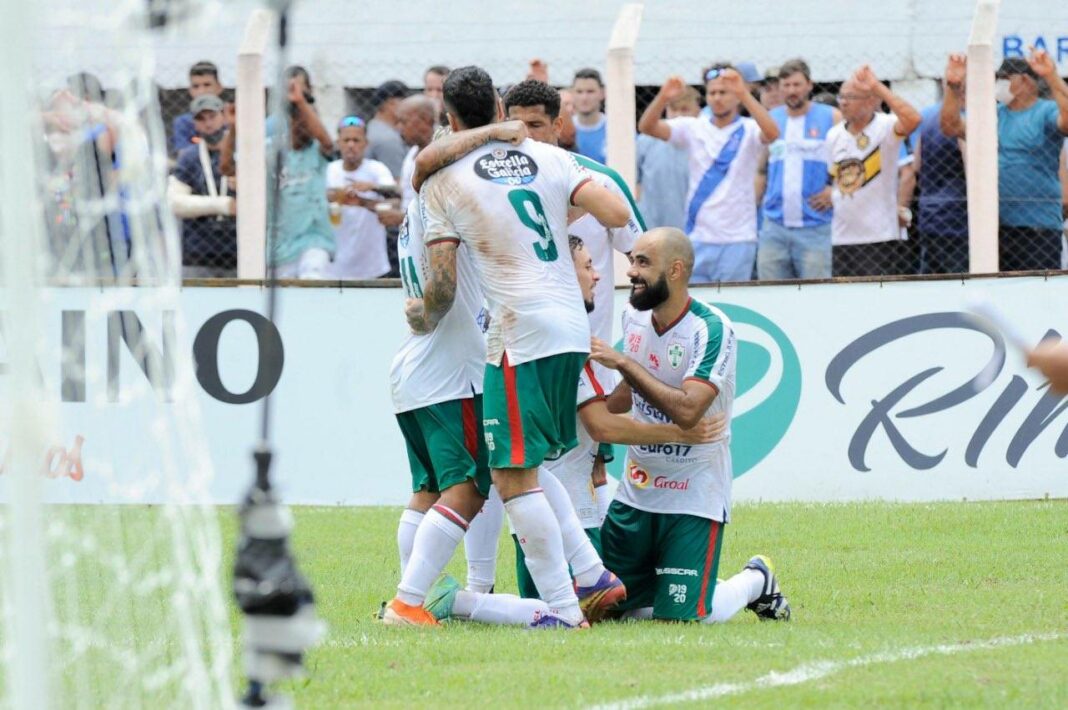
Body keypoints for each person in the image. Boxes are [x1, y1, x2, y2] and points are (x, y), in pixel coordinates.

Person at [387, 65, 630, 629]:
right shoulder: (535, 162)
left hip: (446, 359)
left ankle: (443, 597)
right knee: (490, 478)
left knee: (486, 477)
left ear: (448, 118)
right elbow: (613, 212)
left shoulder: (433, 186)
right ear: (501, 111)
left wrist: (421, 312)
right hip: (483, 353)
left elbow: (439, 272)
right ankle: (553, 589)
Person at [413, 235, 725, 627]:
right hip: (553, 516)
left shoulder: (552, 331)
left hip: (569, 512)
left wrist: (600, 451)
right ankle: (457, 598)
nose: (601, 276)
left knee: (614, 609)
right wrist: (674, 433)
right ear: (560, 274)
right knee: (588, 609)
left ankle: (456, 598)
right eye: (588, 267)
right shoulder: (555, 337)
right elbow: (600, 422)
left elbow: (599, 416)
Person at [588, 227, 791, 624]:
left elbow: (688, 412)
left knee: (680, 620)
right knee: (604, 611)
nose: (631, 271)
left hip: (693, 496)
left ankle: (755, 580)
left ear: (676, 270)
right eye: (632, 260)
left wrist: (626, 364)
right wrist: (590, 402)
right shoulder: (633, 316)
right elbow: (626, 396)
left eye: (643, 262)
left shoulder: (711, 329)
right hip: (636, 494)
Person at [638, 66, 779, 283]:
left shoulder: (750, 129)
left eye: (724, 92)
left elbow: (772, 132)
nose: (717, 98)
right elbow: (647, 127)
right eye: (712, 93)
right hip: (698, 236)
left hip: (738, 237)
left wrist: (744, 93)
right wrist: (663, 97)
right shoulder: (692, 127)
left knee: (732, 305)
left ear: (736, 96)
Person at [941, 50, 1068, 272]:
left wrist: (1052, 76)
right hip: (995, 227)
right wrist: (953, 87)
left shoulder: (1045, 111)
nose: (999, 84)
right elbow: (950, 126)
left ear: (1026, 81)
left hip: (1038, 226)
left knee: (1037, 293)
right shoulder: (993, 114)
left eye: (1005, 79)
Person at [222, 70, 336, 278]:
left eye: (307, 123)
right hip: (279, 249)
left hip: (314, 241)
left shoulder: (317, 153)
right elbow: (227, 168)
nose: (304, 128)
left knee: (313, 281)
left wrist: (300, 102)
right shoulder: (269, 152)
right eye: (297, 122)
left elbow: (327, 142)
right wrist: (233, 129)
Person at [827, 65, 921, 277]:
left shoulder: (886, 126)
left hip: (879, 236)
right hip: (842, 237)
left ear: (870, 101)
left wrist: (877, 87)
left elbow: (913, 120)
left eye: (850, 97)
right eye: (841, 96)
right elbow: (835, 178)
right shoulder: (833, 135)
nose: (843, 102)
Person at [758, 59, 840, 280]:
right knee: (769, 297)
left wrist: (836, 190)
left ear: (809, 85)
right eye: (786, 85)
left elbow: (850, 159)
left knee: (817, 296)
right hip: (774, 227)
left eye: (796, 85)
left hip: (815, 226)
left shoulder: (831, 116)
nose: (791, 91)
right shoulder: (771, 118)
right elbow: (761, 168)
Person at [168, 94, 236, 277]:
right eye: (201, 119)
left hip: (239, 253)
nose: (208, 124)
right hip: (197, 254)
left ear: (224, 116)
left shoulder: (242, 151)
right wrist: (224, 205)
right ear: (194, 124)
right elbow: (174, 202)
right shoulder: (189, 157)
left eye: (212, 116)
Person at [325, 116, 396, 279]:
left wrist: (365, 196)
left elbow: (395, 198)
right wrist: (335, 195)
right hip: (335, 265)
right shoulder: (329, 171)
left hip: (373, 265)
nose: (351, 145)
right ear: (338, 143)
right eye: (346, 140)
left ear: (366, 143)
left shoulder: (377, 170)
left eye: (356, 140)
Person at [914, 84, 968, 274]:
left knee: (932, 285)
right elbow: (973, 170)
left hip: (929, 212)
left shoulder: (928, 115)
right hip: (960, 218)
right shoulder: (966, 119)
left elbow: (916, 165)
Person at [636, 86, 700, 231]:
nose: (678, 116)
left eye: (684, 110)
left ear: (697, 111)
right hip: (653, 223)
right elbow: (635, 179)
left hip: (693, 226)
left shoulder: (705, 140)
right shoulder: (646, 140)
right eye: (673, 110)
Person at [171, 61, 223, 156]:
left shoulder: (231, 118)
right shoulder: (183, 122)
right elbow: (183, 155)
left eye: (207, 85)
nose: (201, 91)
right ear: (190, 90)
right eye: (196, 86)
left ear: (219, 87)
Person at [366, 80, 410, 179]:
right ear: (390, 104)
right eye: (404, 102)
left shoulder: (374, 126)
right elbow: (397, 179)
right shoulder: (387, 138)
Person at [571, 68, 607, 165]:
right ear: (572, 94)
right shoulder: (563, 129)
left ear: (602, 93)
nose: (584, 98)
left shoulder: (616, 130)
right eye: (579, 92)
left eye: (590, 91)